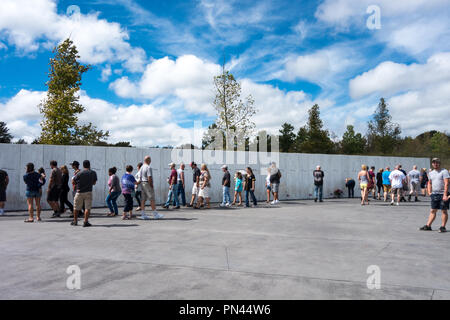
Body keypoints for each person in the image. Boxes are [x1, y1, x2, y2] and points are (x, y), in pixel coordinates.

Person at [420, 158, 449, 233]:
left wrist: (445, 195)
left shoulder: (444, 171)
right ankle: (428, 226)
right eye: (434, 163)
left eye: (437, 163)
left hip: (443, 193)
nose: (435, 164)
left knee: (444, 210)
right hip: (435, 193)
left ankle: (443, 227)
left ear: (439, 163)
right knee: (433, 210)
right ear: (432, 164)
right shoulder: (431, 173)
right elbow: (429, 182)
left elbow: (446, 183)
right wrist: (429, 192)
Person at [72, 160, 97, 227]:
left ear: (83, 165)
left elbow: (73, 182)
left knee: (76, 207)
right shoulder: (93, 172)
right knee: (87, 208)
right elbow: (94, 183)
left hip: (79, 192)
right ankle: (85, 221)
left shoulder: (80, 173)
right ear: (89, 165)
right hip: (88, 192)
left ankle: (75, 221)